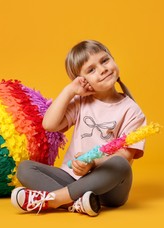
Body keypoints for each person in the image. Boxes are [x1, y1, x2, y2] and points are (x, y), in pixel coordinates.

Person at [11, 40, 146, 216]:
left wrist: (93, 163)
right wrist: (69, 91)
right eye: (91, 70)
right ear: (82, 80)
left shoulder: (132, 111)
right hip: (73, 178)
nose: (102, 69)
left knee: (120, 164)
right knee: (25, 169)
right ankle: (81, 203)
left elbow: (125, 156)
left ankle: (55, 200)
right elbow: (49, 125)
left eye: (105, 60)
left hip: (110, 189)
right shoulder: (81, 102)